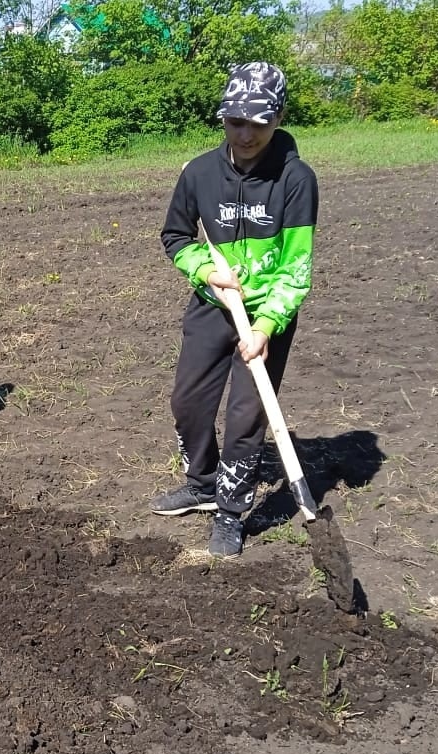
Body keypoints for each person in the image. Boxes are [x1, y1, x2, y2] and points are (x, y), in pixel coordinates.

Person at [153, 62, 319, 557]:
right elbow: (176, 237)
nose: (246, 134)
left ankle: (230, 511)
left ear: (279, 117)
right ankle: (202, 484)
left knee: (247, 416)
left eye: (259, 123)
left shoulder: (295, 179)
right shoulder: (199, 173)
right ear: (223, 118)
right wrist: (208, 272)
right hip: (212, 306)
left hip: (267, 312)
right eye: (235, 122)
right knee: (187, 403)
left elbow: (296, 267)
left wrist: (266, 325)